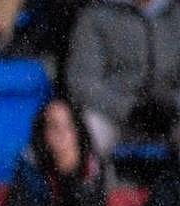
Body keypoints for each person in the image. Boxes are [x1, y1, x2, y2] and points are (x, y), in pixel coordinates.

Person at [66, 0, 180, 159]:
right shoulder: (96, 14)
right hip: (114, 111)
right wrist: (129, 109)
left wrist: (172, 104)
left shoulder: (175, 12)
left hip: (171, 110)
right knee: (86, 134)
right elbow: (83, 82)